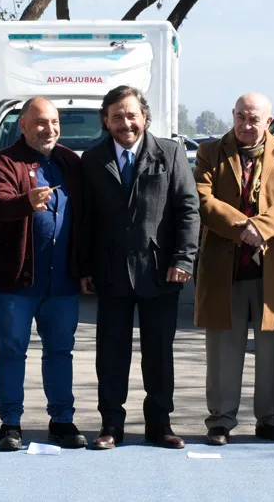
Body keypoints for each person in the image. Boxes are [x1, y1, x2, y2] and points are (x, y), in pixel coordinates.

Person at [80, 85, 200, 450]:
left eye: (132, 115)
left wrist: (183, 258)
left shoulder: (171, 153)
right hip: (111, 272)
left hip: (160, 271)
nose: (126, 123)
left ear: (144, 117)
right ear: (106, 120)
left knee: (159, 354)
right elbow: (85, 218)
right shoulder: (92, 159)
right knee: (111, 354)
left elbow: (188, 209)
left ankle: (160, 424)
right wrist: (84, 267)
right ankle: (110, 425)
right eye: (117, 116)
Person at [193, 92, 274, 446]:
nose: (245, 124)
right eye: (240, 116)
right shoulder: (209, 152)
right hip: (224, 269)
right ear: (233, 115)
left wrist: (262, 228)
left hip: (272, 268)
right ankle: (221, 420)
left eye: (253, 119)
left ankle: (271, 418)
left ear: (268, 121)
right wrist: (243, 227)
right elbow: (203, 199)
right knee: (222, 351)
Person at [0, 97, 87, 451]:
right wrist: (25, 201)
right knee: (12, 351)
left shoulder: (71, 162)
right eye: (41, 122)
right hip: (15, 282)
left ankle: (62, 420)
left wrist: (85, 268)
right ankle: (10, 423)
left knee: (60, 351)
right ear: (23, 125)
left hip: (62, 282)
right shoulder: (3, 162)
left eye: (54, 122)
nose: (49, 129)